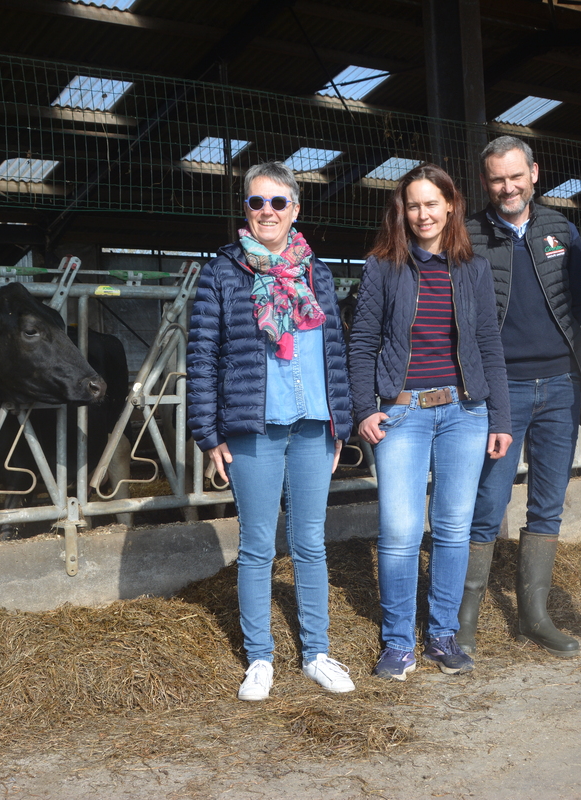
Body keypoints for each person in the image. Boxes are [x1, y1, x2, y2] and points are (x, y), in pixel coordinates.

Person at [186, 161, 355, 701]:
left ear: (295, 211)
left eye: (278, 203)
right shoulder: (222, 273)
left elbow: (335, 354)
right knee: (258, 544)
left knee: (310, 541)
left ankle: (317, 652)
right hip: (252, 426)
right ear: (246, 210)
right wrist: (208, 434)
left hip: (312, 423)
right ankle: (260, 658)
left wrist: (340, 425)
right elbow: (203, 356)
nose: (267, 212)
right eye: (257, 202)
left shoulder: (317, 275)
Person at [349, 163, 512, 681]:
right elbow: (361, 343)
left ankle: (441, 635)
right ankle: (398, 642)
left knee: (451, 528)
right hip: (402, 412)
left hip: (465, 413)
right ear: (403, 210)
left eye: (432, 203)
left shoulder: (473, 268)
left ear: (450, 206)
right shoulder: (382, 267)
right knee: (398, 530)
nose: (423, 213)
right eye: (413, 204)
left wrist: (500, 417)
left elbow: (489, 344)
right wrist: (363, 409)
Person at [458, 135, 581, 658]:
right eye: (496, 179)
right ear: (485, 182)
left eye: (516, 176)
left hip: (561, 384)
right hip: (503, 390)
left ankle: (534, 616)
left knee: (547, 505)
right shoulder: (468, 234)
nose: (508, 187)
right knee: (487, 502)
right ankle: (463, 620)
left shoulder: (561, 229)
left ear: (535, 173)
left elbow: (574, 300)